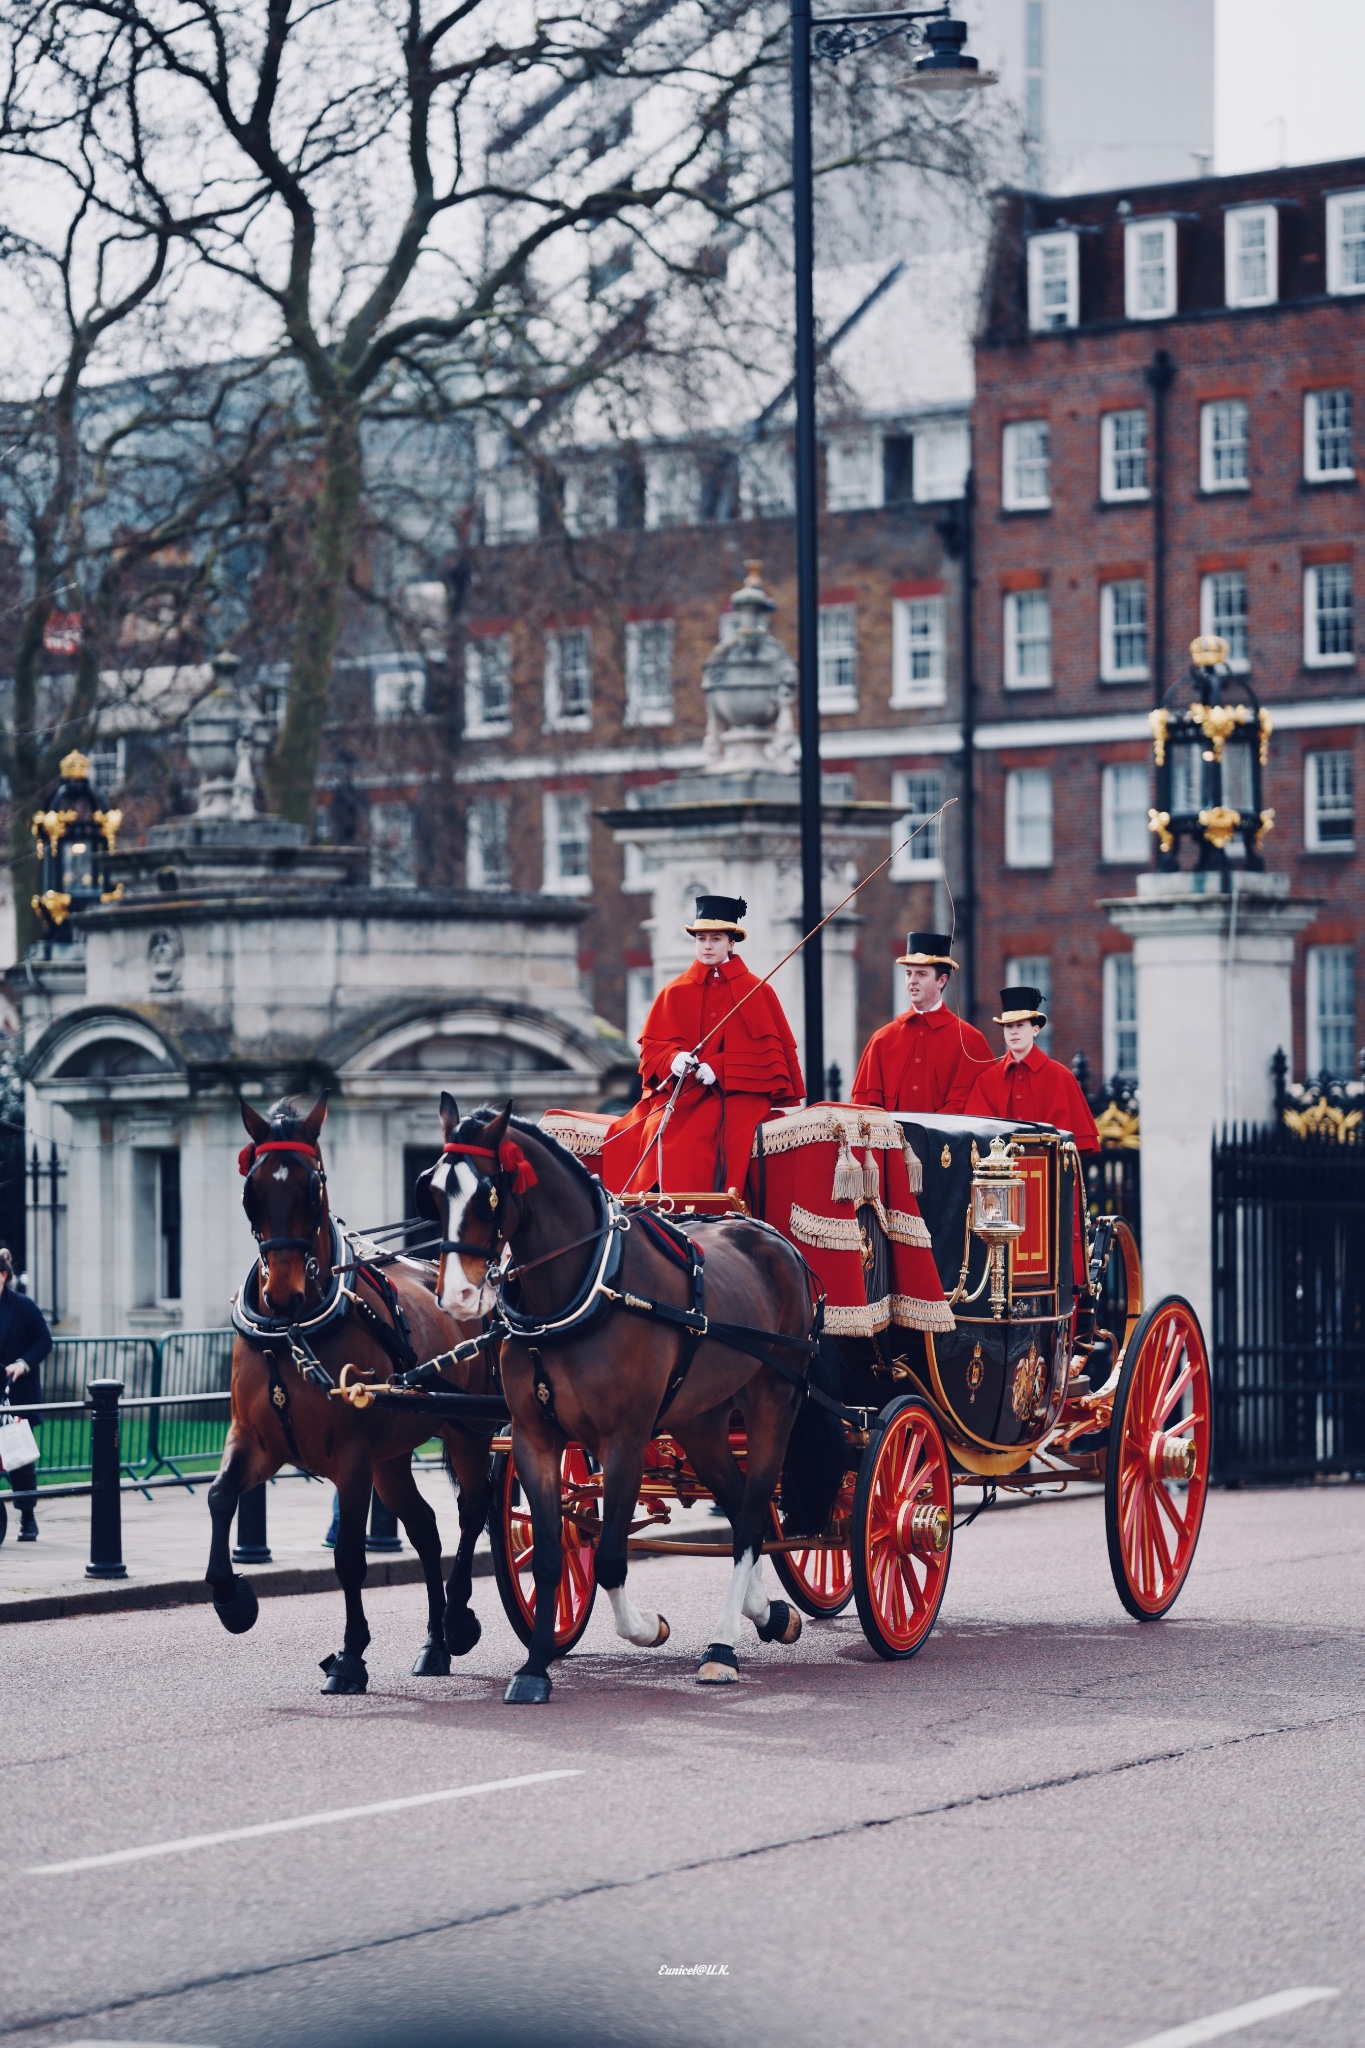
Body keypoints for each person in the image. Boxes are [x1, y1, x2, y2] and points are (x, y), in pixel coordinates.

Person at [603, 894, 805, 1196]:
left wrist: (721, 1068)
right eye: (701, 938)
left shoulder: (756, 991)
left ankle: (698, 1212)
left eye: (715, 938)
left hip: (738, 1094)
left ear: (731, 942)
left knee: (694, 1141)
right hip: (684, 1092)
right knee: (653, 1130)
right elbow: (653, 1047)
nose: (707, 945)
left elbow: (768, 1058)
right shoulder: (675, 991)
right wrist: (673, 1059)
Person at [852, 932, 993, 1114]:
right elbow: (861, 1115)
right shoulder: (881, 1040)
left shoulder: (970, 1040)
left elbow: (982, 1113)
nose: (912, 981)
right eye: (908, 973)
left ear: (941, 980)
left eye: (921, 974)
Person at [965, 986, 1100, 1154]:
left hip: (1048, 1175)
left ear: (1035, 1030)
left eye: (1020, 1025)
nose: (1013, 1031)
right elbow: (978, 1139)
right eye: (1008, 1026)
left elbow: (1071, 1149)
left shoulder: (1061, 1076)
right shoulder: (987, 1081)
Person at [0, 1246, 53, 1541]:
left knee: (19, 1461)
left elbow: (44, 1341)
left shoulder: (22, 1306)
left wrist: (23, 1363)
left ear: (3, 1276)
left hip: (16, 1394)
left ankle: (28, 1519)